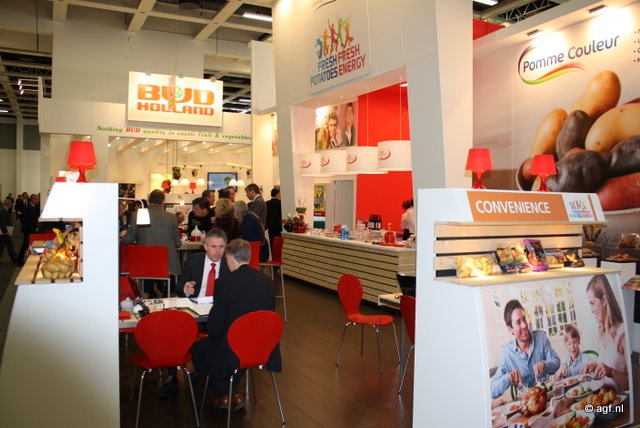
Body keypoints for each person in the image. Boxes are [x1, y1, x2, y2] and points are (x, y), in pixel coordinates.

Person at [190, 239, 281, 411]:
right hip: (262, 347)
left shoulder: (224, 282)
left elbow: (214, 328)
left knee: (197, 349)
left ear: (230, 257)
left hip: (234, 347)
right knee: (235, 354)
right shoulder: (268, 281)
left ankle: (223, 393)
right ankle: (232, 394)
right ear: (248, 257)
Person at [490, 299, 560, 399]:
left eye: (524, 319)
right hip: (526, 404)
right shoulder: (507, 353)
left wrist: (545, 364)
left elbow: (556, 362)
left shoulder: (541, 337)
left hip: (547, 398)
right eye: (518, 322)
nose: (524, 325)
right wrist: (508, 378)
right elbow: (492, 391)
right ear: (510, 329)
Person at [121, 189, 182, 297]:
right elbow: (178, 243)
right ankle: (165, 294)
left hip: (145, 265)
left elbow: (128, 239)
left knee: (147, 275)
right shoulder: (171, 217)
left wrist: (121, 237)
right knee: (173, 267)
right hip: (167, 266)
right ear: (163, 202)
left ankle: (150, 294)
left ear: (148, 201)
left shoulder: (137, 215)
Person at [583, 274, 629, 391]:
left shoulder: (622, 333)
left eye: (592, 303)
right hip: (606, 399)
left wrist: (611, 372)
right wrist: (596, 366)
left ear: (604, 300)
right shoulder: (602, 334)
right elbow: (607, 366)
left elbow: (634, 383)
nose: (591, 310)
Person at [177, 228, 231, 298]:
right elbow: (179, 287)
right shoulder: (193, 261)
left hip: (221, 303)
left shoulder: (230, 263)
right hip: (196, 302)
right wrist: (185, 289)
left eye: (221, 247)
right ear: (205, 246)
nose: (218, 251)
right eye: (213, 246)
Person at [16, 194, 40, 266]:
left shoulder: (32, 207)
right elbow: (28, 221)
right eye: (37, 199)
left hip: (30, 229)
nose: (38, 200)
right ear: (32, 199)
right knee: (25, 245)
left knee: (26, 245)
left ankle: (20, 259)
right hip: (28, 230)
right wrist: (34, 230)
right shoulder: (28, 208)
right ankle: (19, 260)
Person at [0, 199, 18, 264]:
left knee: (9, 245)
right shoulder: (3, 211)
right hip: (5, 232)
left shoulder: (3, 210)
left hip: (6, 231)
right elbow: (3, 222)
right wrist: (5, 231)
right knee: (2, 246)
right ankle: (15, 259)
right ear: (9, 204)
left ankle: (15, 258)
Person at [265, 187, 282, 251]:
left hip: (270, 226)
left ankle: (273, 255)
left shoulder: (267, 203)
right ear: (277, 194)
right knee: (279, 243)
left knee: (272, 242)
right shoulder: (280, 203)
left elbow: (266, 215)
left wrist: (266, 226)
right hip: (278, 226)